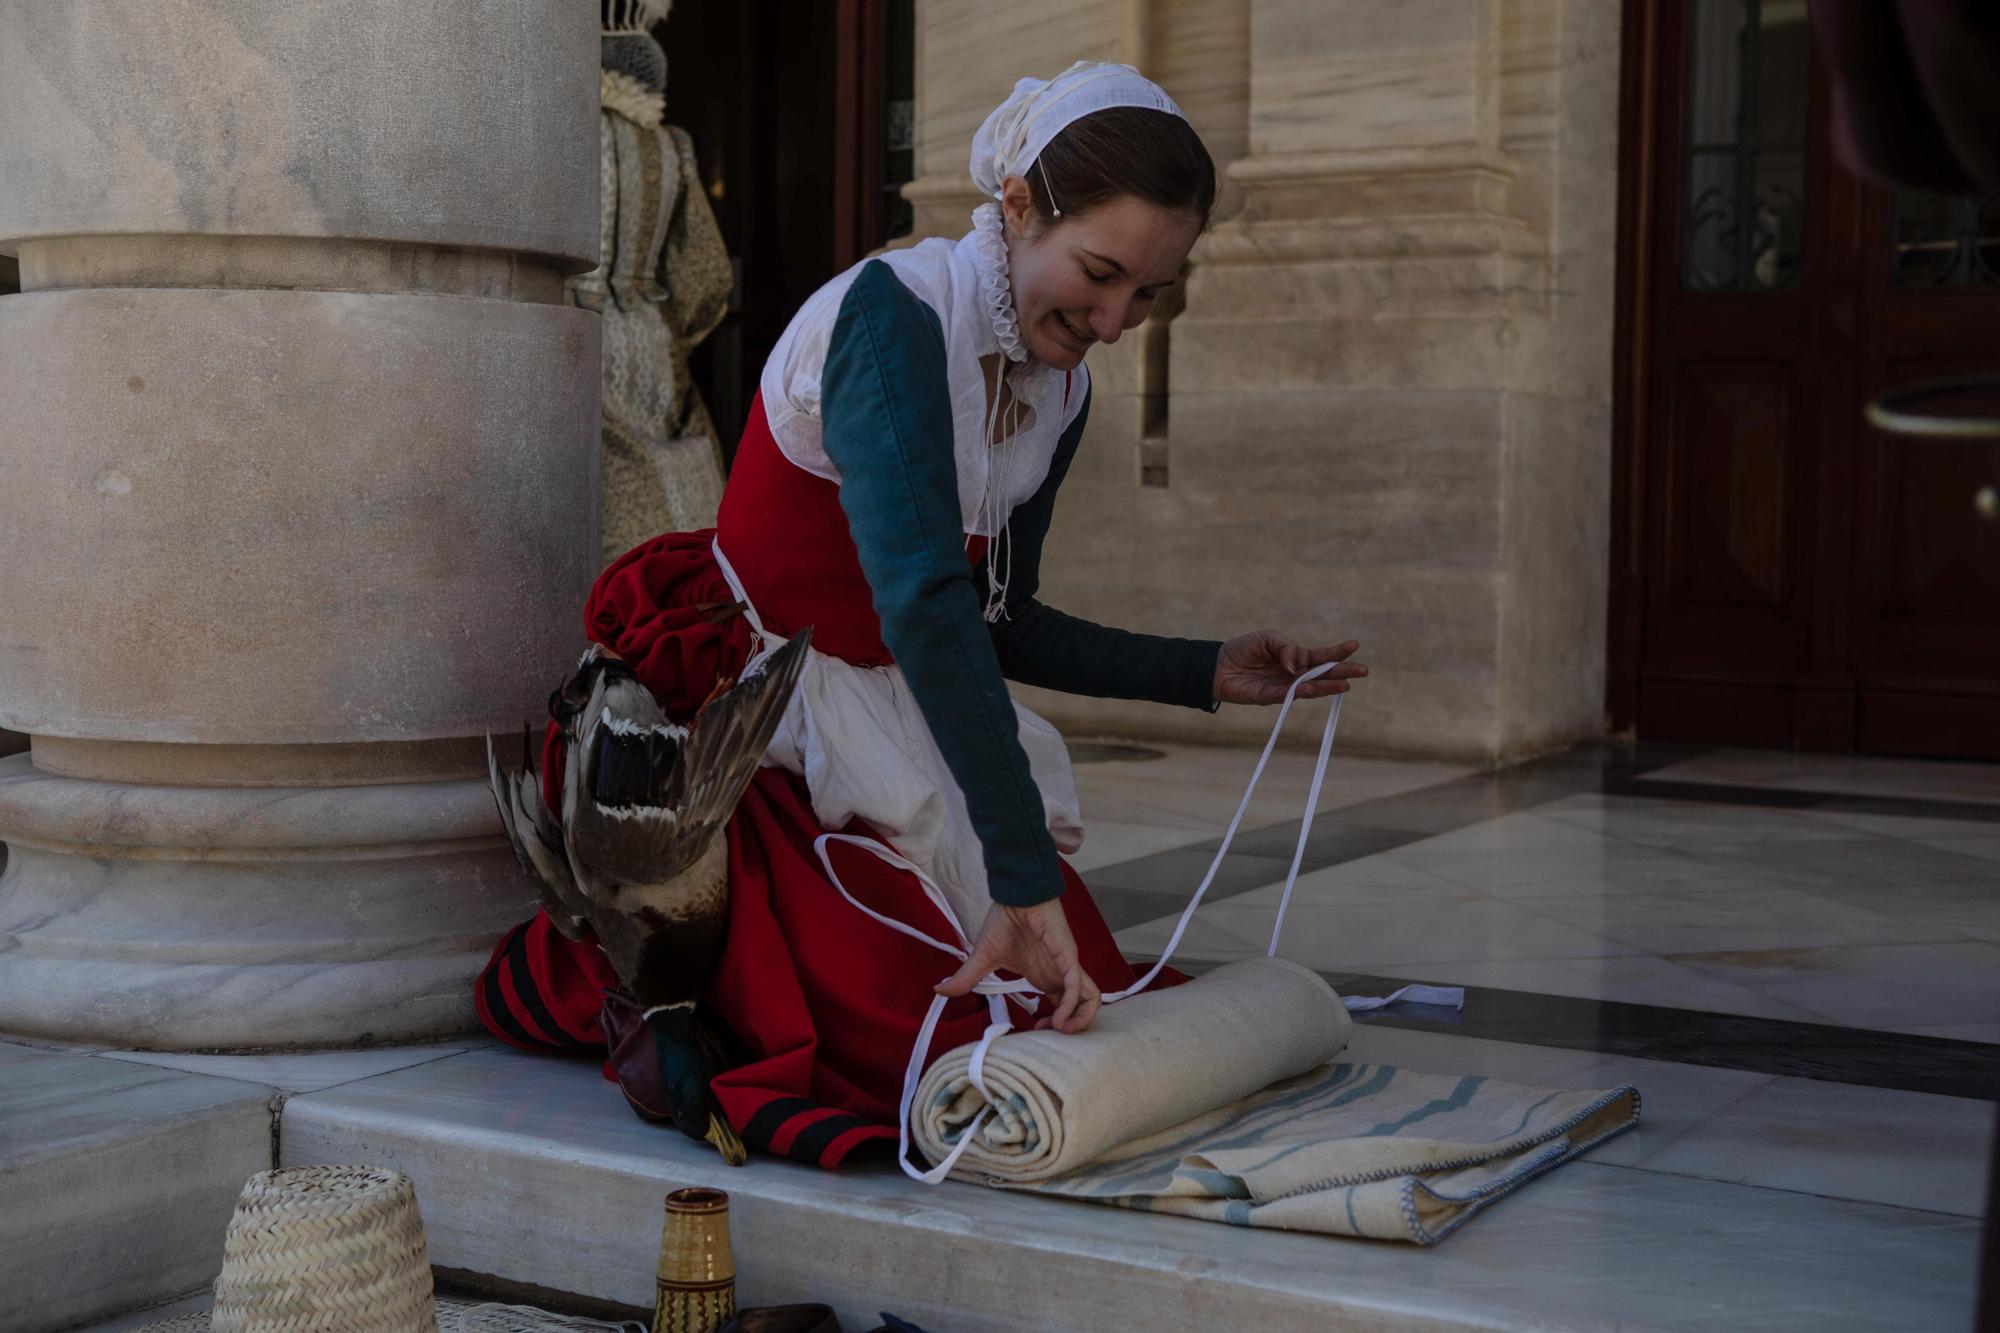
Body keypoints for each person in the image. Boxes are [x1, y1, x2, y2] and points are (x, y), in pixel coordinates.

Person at [477, 62, 1367, 1168]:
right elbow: (923, 603)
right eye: (1098, 275)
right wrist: (1019, 869)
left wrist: (1202, 670)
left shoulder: (1058, 388)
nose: (1112, 320)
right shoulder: (890, 316)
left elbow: (995, 622)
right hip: (767, 731)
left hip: (903, 713)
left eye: (1145, 294)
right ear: (1016, 205)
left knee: (1082, 1013)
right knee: (924, 1036)